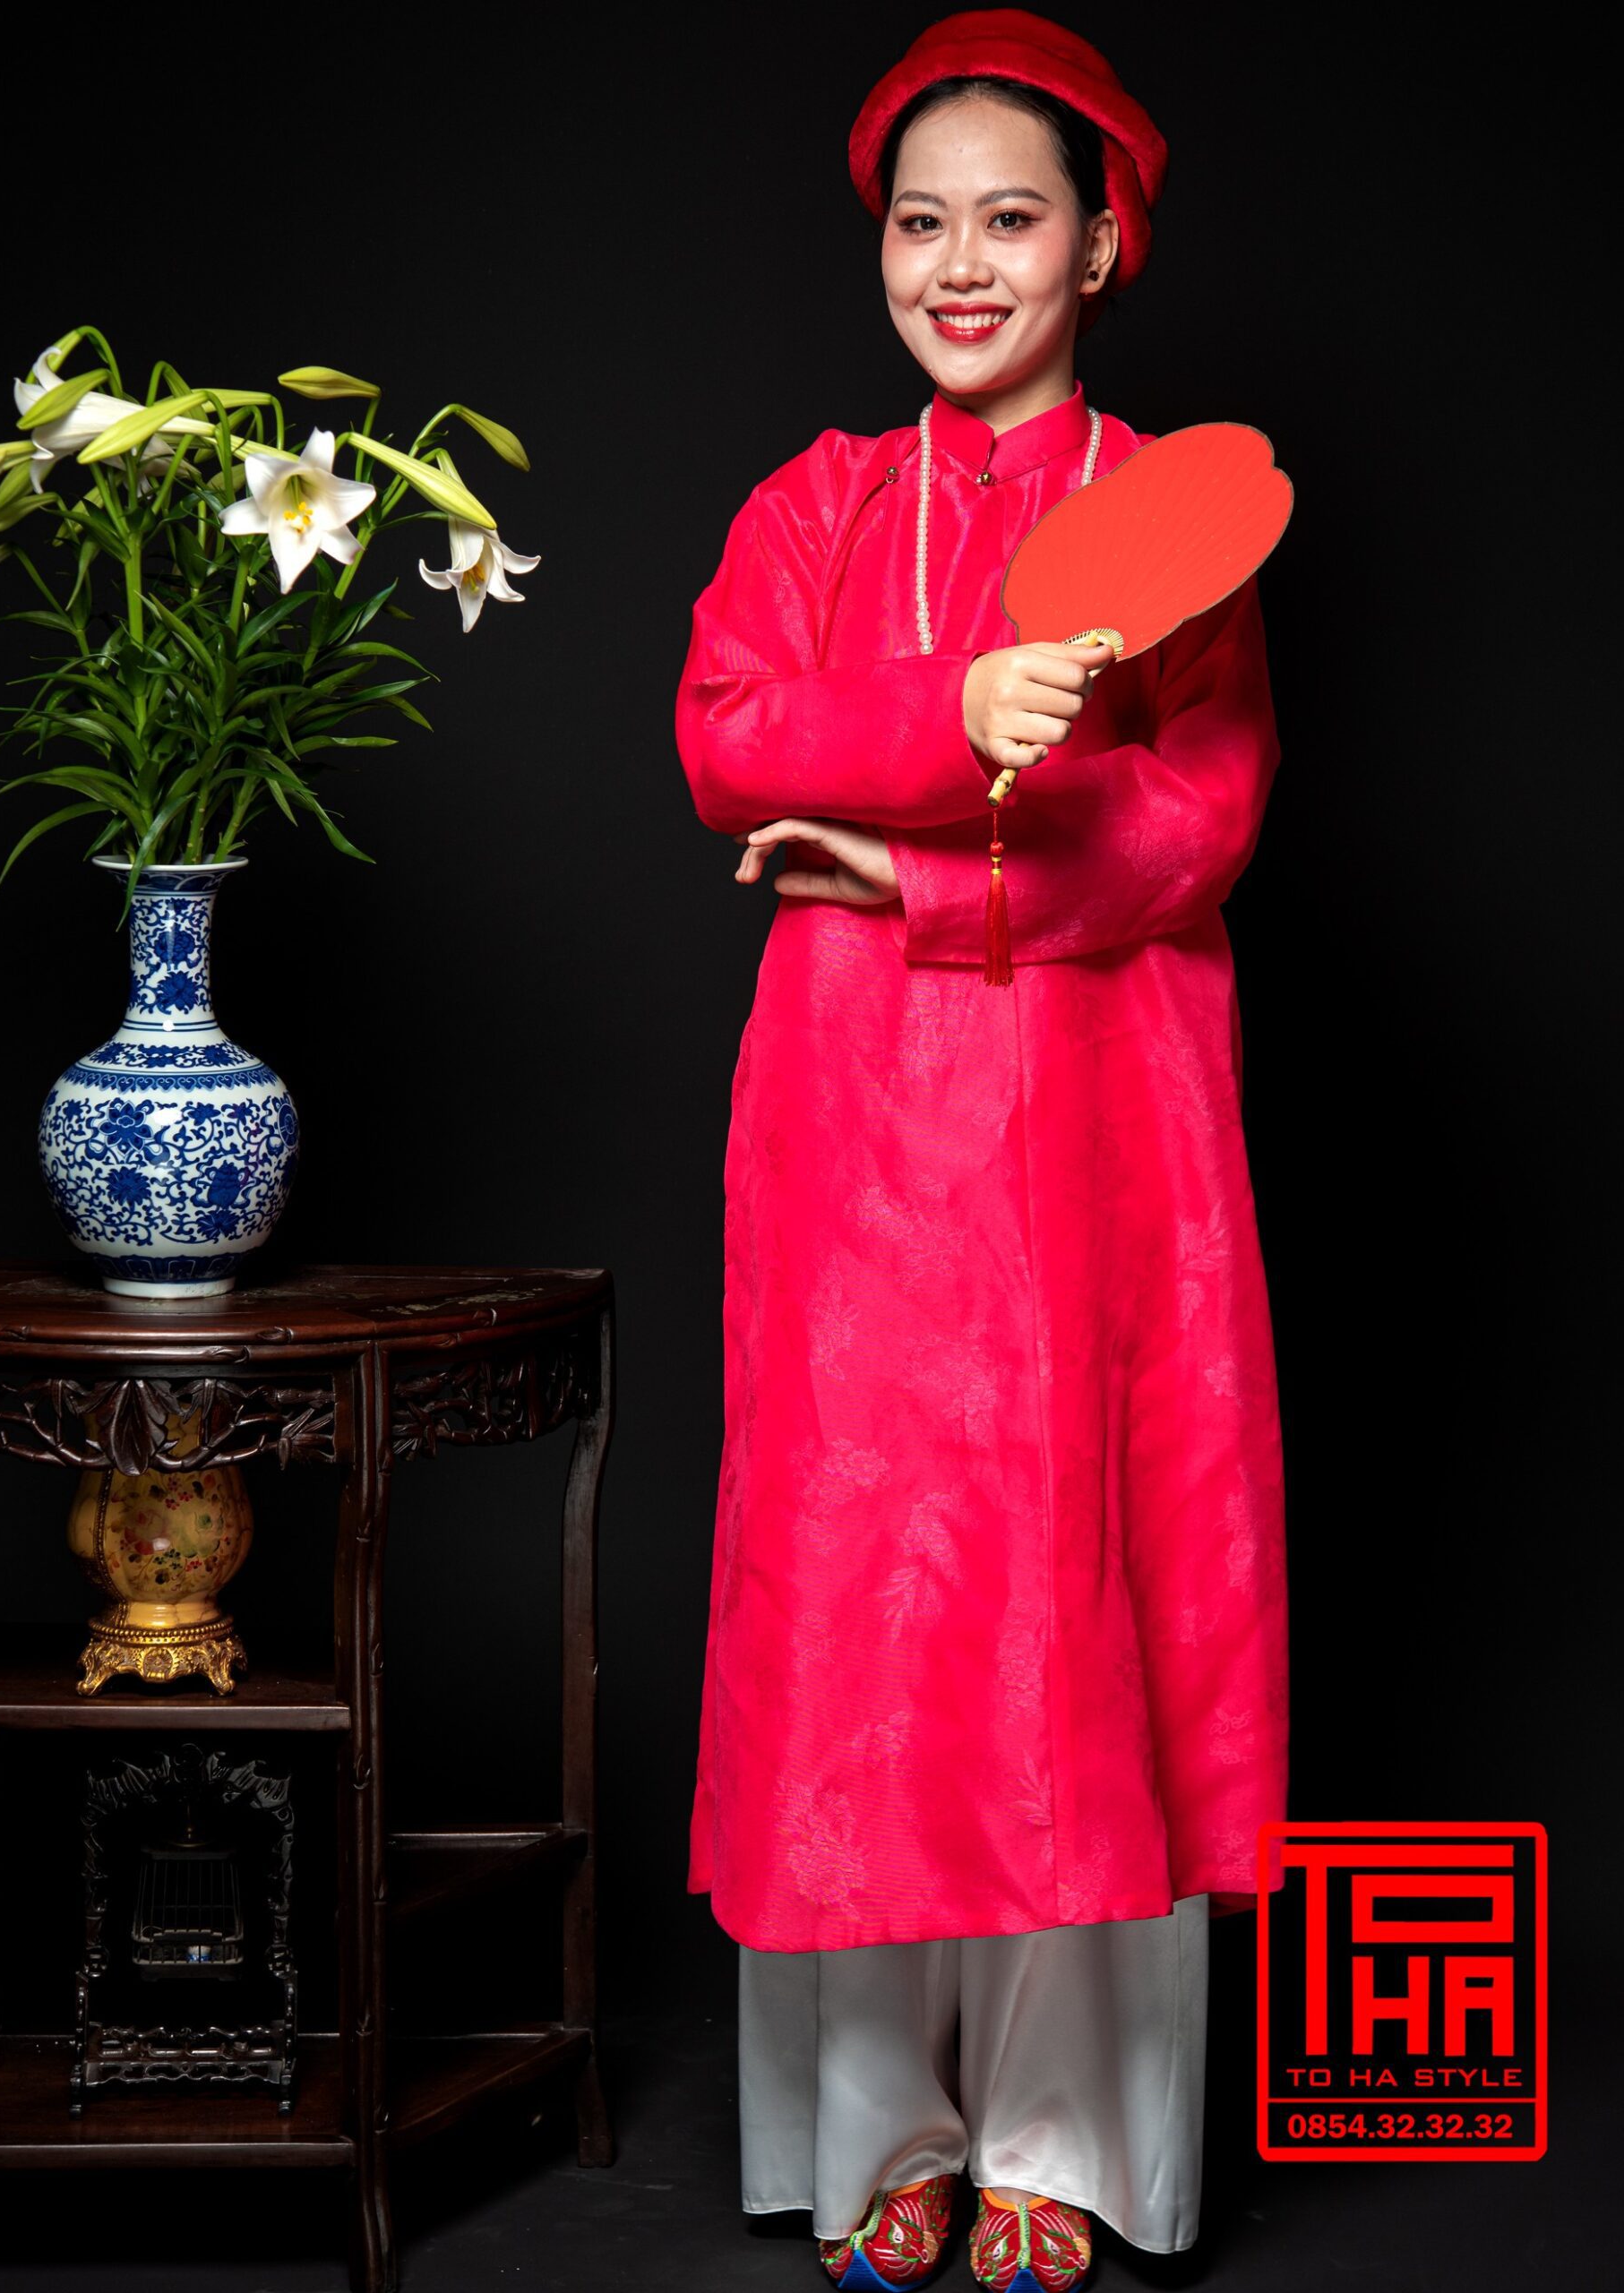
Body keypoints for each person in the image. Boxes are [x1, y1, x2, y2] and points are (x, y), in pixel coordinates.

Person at [674, 13, 1288, 2288]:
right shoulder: (813, 503)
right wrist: (952, 709)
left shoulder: (1174, 514)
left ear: (1101, 244)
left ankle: (1059, 2134)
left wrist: (913, 870)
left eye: (1010, 218)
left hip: (1110, 1116)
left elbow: (1198, 818)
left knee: (1077, 1597)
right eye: (921, 221)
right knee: (865, 1608)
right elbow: (725, 734)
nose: (960, 264)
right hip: (853, 1139)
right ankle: (886, 2131)